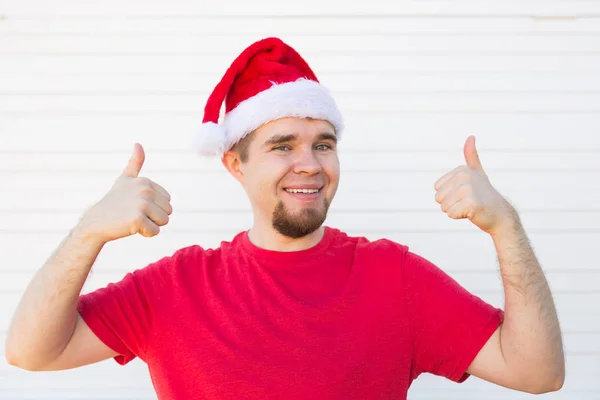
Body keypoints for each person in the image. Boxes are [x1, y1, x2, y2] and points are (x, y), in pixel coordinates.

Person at [5, 37, 565, 399]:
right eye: (282, 145)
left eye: (323, 144)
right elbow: (32, 352)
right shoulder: (176, 287)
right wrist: (89, 233)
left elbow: (538, 374)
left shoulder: (396, 278)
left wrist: (506, 227)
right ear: (235, 165)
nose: (309, 164)